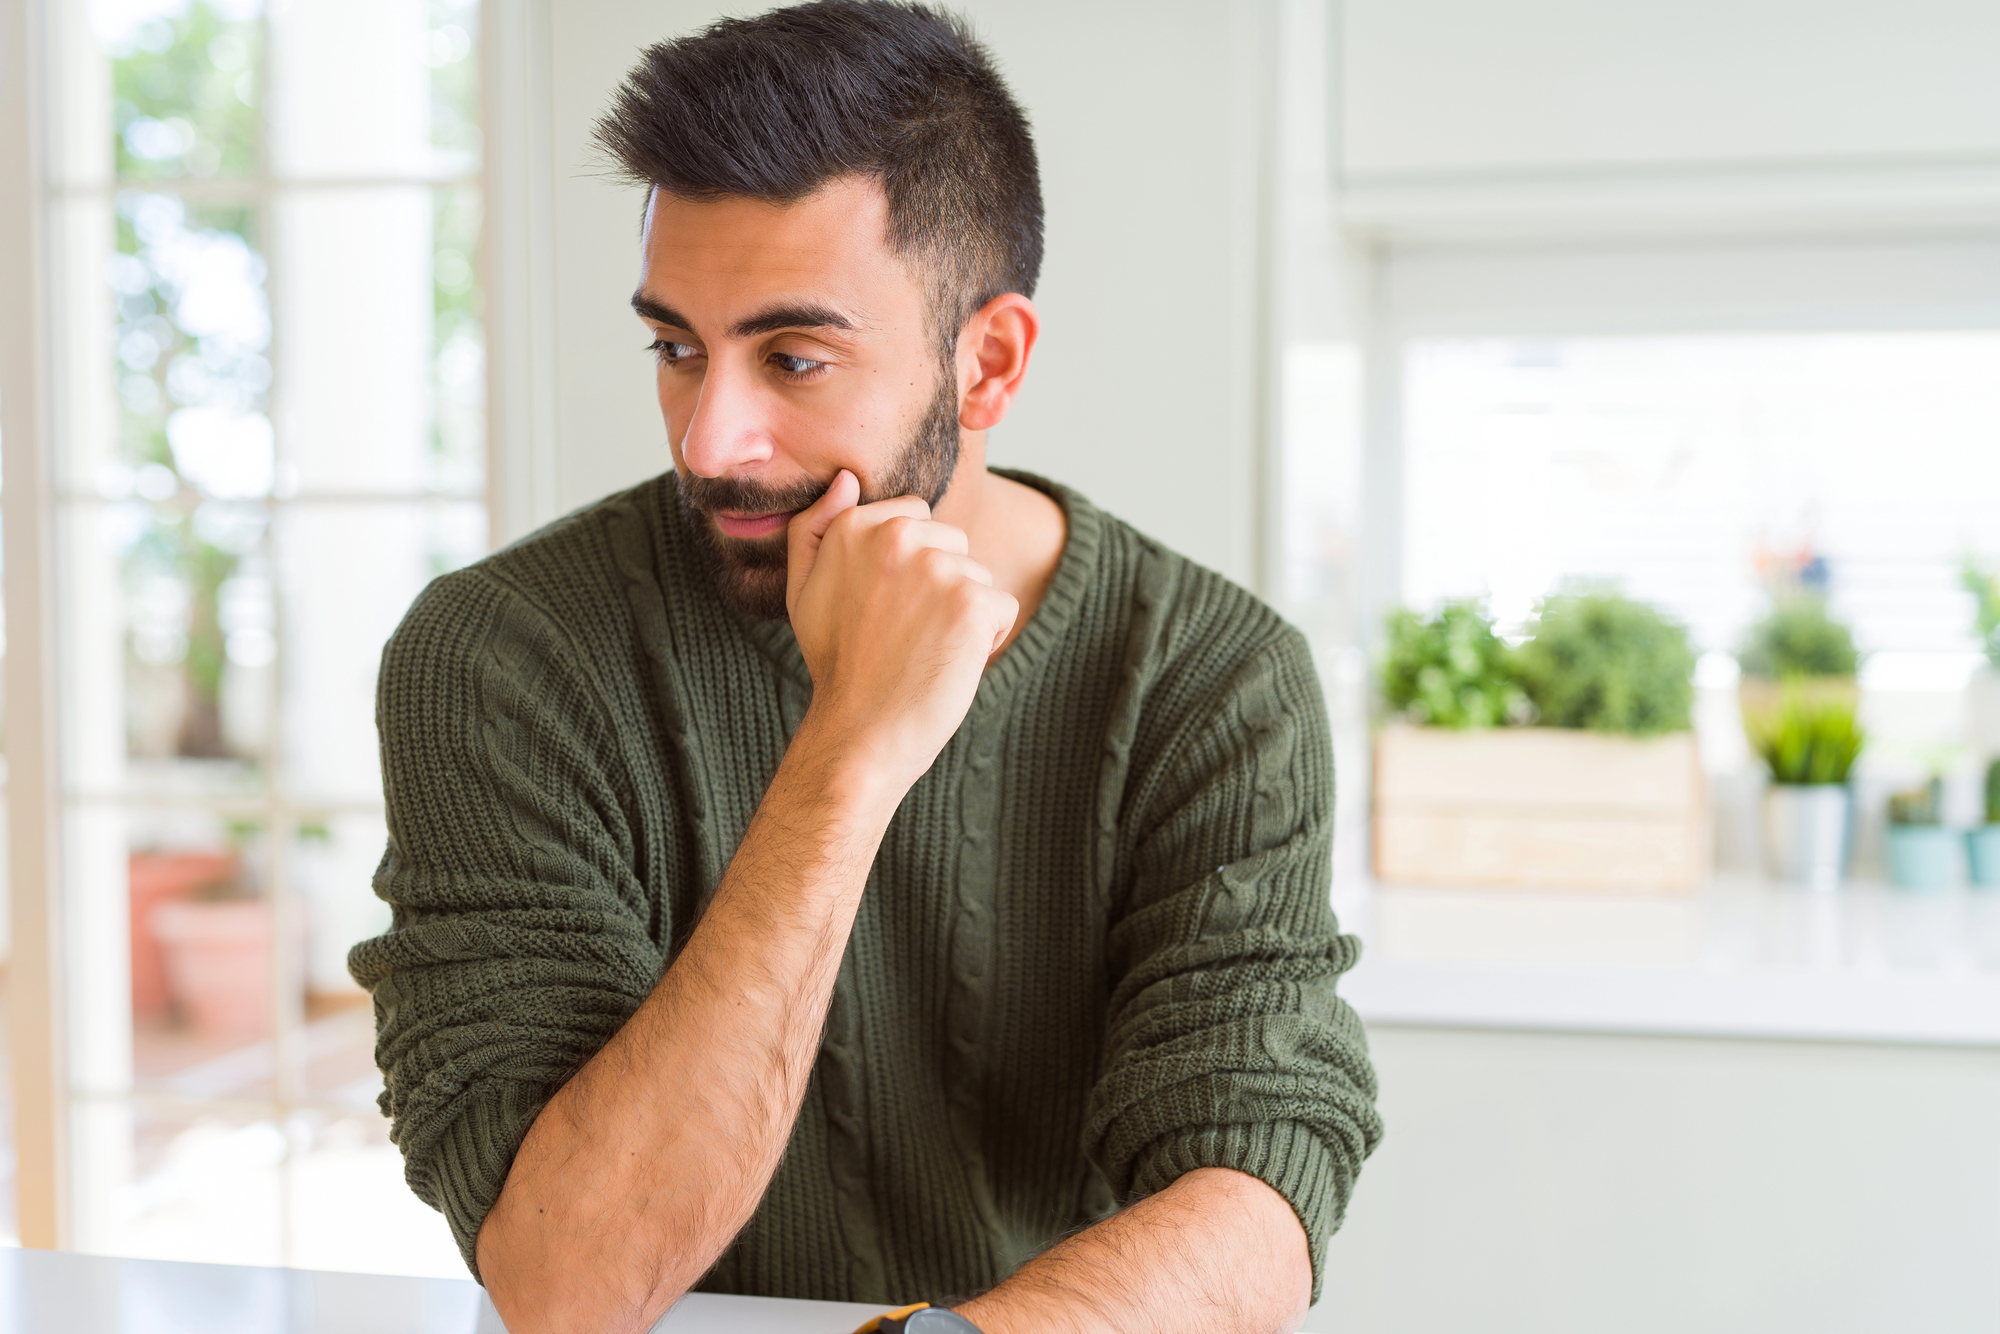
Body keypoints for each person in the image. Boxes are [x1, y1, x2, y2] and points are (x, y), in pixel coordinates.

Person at [349, 4, 1381, 1332]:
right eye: (676, 347)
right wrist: (852, 749)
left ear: (988, 361)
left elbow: (1255, 1193)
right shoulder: (498, 657)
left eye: (795, 357)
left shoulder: (1208, 677)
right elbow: (569, 1282)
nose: (711, 433)